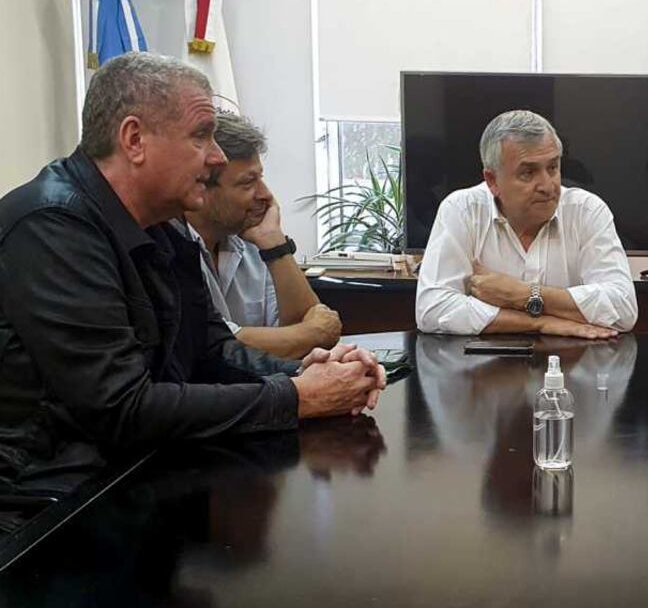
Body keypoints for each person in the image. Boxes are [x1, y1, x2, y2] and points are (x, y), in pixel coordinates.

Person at [0, 53, 385, 507]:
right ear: (134, 139)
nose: (217, 156)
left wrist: (309, 372)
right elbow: (121, 408)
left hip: (137, 477)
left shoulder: (164, 224)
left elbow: (210, 350)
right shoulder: (54, 226)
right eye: (202, 136)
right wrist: (297, 397)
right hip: (47, 511)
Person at [416, 110, 638, 338]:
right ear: (492, 181)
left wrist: (522, 294)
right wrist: (541, 322)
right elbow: (432, 309)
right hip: (484, 368)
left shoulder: (587, 211)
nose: (547, 185)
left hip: (573, 365)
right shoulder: (462, 210)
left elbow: (623, 309)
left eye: (553, 167)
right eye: (528, 173)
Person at [182, 110, 341, 359]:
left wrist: (275, 244)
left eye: (261, 178)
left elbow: (306, 344)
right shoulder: (168, 246)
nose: (266, 194)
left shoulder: (251, 243)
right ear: (202, 187)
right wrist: (315, 332)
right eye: (248, 183)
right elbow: (216, 346)